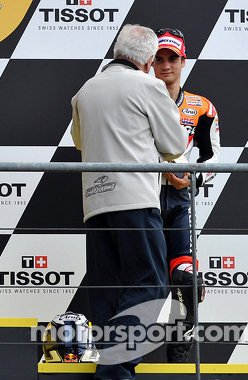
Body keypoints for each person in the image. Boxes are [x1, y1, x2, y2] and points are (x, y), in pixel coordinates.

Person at [71, 24, 187, 379]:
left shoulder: (85, 91)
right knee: (149, 285)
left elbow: (79, 142)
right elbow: (177, 145)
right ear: (149, 61)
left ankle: (111, 365)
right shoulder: (149, 86)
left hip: (94, 203)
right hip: (135, 199)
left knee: (106, 288)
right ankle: (115, 369)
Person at [152, 28, 219, 363]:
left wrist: (189, 179)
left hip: (180, 202)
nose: (166, 66)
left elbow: (212, 157)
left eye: (172, 59)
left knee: (185, 277)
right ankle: (124, 357)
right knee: (142, 281)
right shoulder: (139, 100)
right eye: (160, 59)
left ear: (183, 61)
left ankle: (179, 355)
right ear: (150, 63)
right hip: (144, 200)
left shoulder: (201, 107)